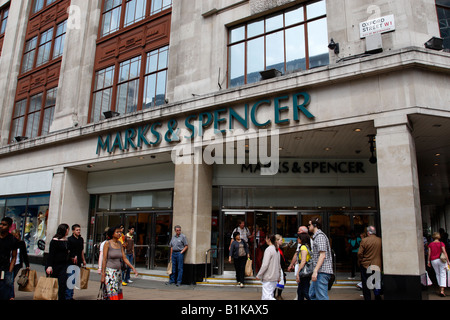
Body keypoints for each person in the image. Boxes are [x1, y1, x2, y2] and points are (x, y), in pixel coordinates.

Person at [101, 225, 138, 300]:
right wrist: (103, 274)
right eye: (117, 232)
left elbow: (124, 258)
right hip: (110, 272)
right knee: (112, 294)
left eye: (120, 232)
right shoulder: (107, 244)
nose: (119, 234)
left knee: (116, 293)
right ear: (112, 234)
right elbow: (104, 260)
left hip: (118, 272)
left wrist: (133, 268)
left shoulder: (120, 244)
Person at [308, 217, 334, 300]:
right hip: (320, 271)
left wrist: (315, 271)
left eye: (309, 224)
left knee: (321, 297)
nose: (308, 226)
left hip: (322, 272)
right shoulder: (317, 237)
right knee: (312, 295)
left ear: (315, 225)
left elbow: (322, 255)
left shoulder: (320, 237)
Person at [46, 223, 70, 300]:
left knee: (62, 284)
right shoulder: (54, 241)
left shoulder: (66, 240)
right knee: (53, 284)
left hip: (63, 265)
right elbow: (51, 254)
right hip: (54, 265)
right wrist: (49, 266)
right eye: (67, 229)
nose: (68, 231)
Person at [357, 225, 383, 300]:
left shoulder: (364, 240)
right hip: (377, 265)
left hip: (366, 265)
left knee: (366, 284)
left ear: (368, 233)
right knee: (376, 283)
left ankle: (368, 298)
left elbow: (359, 253)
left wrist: (360, 260)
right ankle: (377, 296)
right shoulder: (379, 240)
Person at [255, 234, 281, 300]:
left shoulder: (268, 250)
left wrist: (259, 275)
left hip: (268, 276)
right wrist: (279, 276)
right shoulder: (276, 250)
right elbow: (279, 265)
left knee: (267, 297)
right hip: (274, 276)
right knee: (268, 295)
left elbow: (265, 264)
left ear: (269, 240)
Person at [66, 224, 86, 300]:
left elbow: (81, 250)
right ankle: (68, 296)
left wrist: (83, 260)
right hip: (71, 262)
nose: (78, 231)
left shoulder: (81, 239)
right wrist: (71, 257)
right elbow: (68, 250)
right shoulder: (70, 239)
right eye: (77, 230)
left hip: (78, 261)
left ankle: (71, 295)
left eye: (79, 230)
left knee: (74, 279)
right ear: (73, 231)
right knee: (70, 279)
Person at [427, 231, 450, 297]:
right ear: (439, 236)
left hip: (433, 260)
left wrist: (428, 262)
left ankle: (440, 288)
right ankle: (442, 290)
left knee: (437, 274)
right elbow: (444, 252)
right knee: (443, 274)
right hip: (441, 260)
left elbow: (429, 253)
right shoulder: (441, 243)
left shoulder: (430, 244)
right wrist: (448, 260)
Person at [0, 217, 17, 300]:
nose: (1, 226)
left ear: (9, 226)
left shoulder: (12, 239)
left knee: (4, 291)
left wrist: (10, 271)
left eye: (4, 225)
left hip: (4, 269)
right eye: (1, 224)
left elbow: (14, 257)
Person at [10, 229, 29, 300]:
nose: (16, 238)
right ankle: (11, 296)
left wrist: (27, 265)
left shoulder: (21, 243)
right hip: (9, 263)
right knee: (10, 280)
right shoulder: (9, 242)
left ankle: (10, 295)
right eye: (14, 236)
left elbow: (24, 254)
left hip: (17, 264)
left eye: (17, 236)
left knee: (11, 279)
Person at [295, 232, 312, 300]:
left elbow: (303, 261)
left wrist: (298, 272)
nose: (297, 239)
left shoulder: (303, 247)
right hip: (306, 272)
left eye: (298, 238)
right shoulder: (307, 247)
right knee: (300, 291)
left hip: (304, 272)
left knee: (305, 291)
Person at [274, 234, 286, 300]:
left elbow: (283, 258)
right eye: (281, 240)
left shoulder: (280, 249)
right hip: (276, 268)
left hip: (281, 267)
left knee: (282, 281)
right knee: (275, 282)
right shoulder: (274, 249)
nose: (282, 241)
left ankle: (279, 295)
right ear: (277, 241)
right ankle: (273, 295)